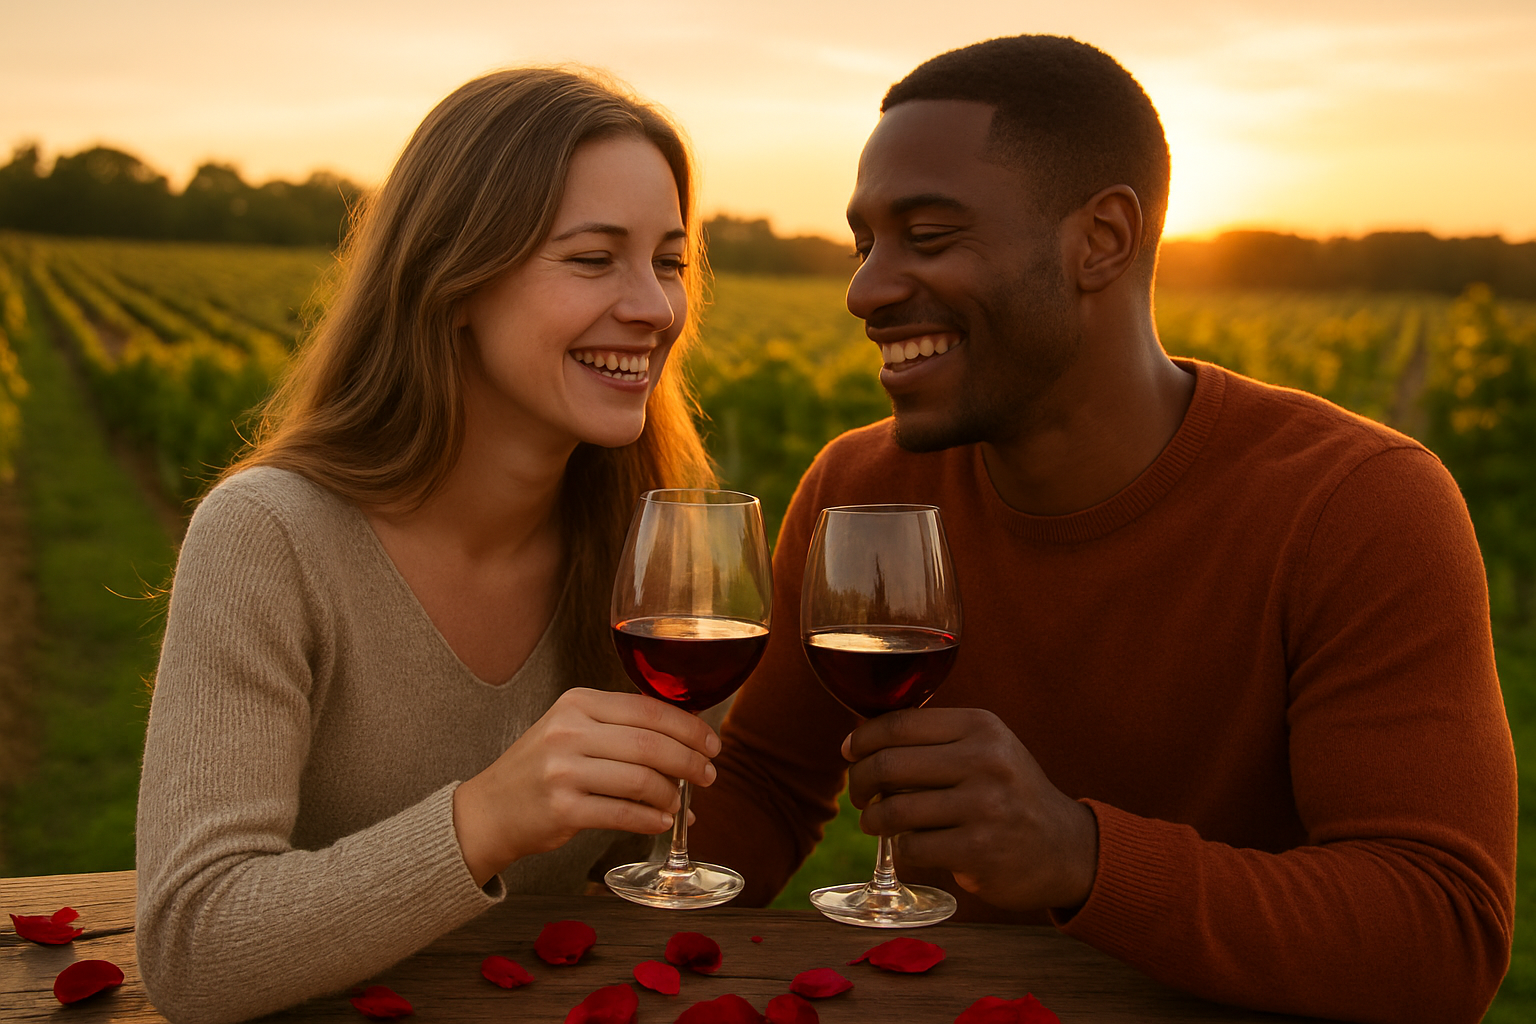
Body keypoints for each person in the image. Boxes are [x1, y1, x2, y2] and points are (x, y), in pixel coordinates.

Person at [689, 35, 1517, 1024]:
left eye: (931, 233)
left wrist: (1081, 857)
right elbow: (770, 785)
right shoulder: (859, 488)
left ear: (1104, 239)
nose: (865, 289)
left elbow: (1442, 934)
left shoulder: (1358, 505)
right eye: (867, 242)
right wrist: (578, 879)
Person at [136, 68, 723, 1024]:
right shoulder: (271, 538)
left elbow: (639, 899)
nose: (655, 308)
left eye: (669, 260)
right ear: (453, 284)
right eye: (592, 258)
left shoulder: (651, 554)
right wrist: (486, 818)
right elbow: (193, 947)